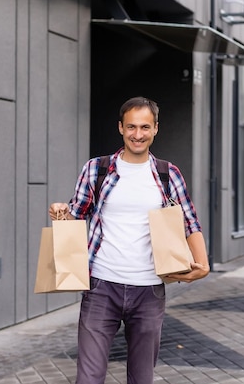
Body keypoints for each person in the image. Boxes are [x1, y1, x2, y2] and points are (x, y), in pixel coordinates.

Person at [48, 96, 210, 384]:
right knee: (88, 377)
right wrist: (61, 212)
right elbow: (75, 215)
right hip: (101, 286)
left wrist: (203, 264)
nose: (138, 134)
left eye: (145, 127)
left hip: (149, 289)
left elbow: (189, 221)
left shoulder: (167, 174)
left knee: (141, 377)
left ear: (156, 129)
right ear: (121, 128)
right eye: (132, 127)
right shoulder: (96, 169)